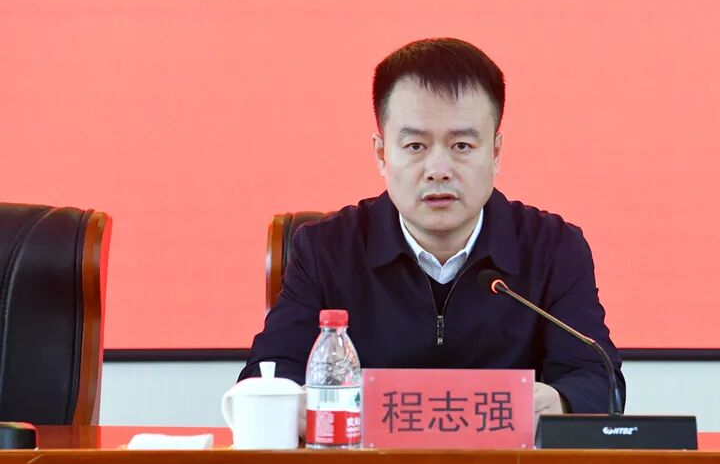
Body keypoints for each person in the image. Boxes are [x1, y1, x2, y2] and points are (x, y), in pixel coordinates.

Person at [240, 37, 625, 419]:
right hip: (365, 457)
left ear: (495, 153)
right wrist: (298, 406)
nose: (438, 170)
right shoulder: (325, 249)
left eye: (462, 146)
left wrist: (562, 402)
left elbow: (598, 379)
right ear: (381, 154)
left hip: (508, 460)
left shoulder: (553, 248)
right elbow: (268, 375)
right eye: (415, 146)